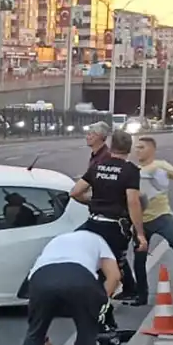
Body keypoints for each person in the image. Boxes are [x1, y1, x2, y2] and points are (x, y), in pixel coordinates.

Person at [13, 228, 121, 345]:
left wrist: (43, 335)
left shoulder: (57, 239)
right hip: (80, 279)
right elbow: (114, 276)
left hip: (42, 278)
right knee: (87, 331)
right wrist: (102, 301)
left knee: (35, 330)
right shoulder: (99, 240)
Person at [70, 127, 145, 301]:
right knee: (112, 272)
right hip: (115, 228)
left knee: (94, 265)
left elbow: (75, 192)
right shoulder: (130, 170)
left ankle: (90, 302)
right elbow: (133, 202)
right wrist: (140, 233)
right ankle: (102, 311)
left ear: (111, 147)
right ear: (129, 148)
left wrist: (93, 203)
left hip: (94, 224)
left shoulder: (98, 167)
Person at [130, 136, 173, 303]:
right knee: (139, 258)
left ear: (152, 149)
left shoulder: (160, 165)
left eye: (142, 147)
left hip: (162, 216)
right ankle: (142, 295)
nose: (138, 150)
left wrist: (164, 173)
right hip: (140, 221)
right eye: (136, 147)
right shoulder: (133, 171)